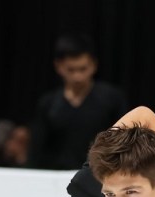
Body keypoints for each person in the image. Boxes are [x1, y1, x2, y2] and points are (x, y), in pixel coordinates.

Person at [28, 34, 127, 170]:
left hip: (100, 176)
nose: (78, 76)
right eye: (71, 70)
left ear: (94, 65)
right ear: (58, 66)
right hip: (56, 177)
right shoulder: (48, 104)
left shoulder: (112, 99)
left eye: (83, 69)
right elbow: (37, 150)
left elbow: (123, 143)